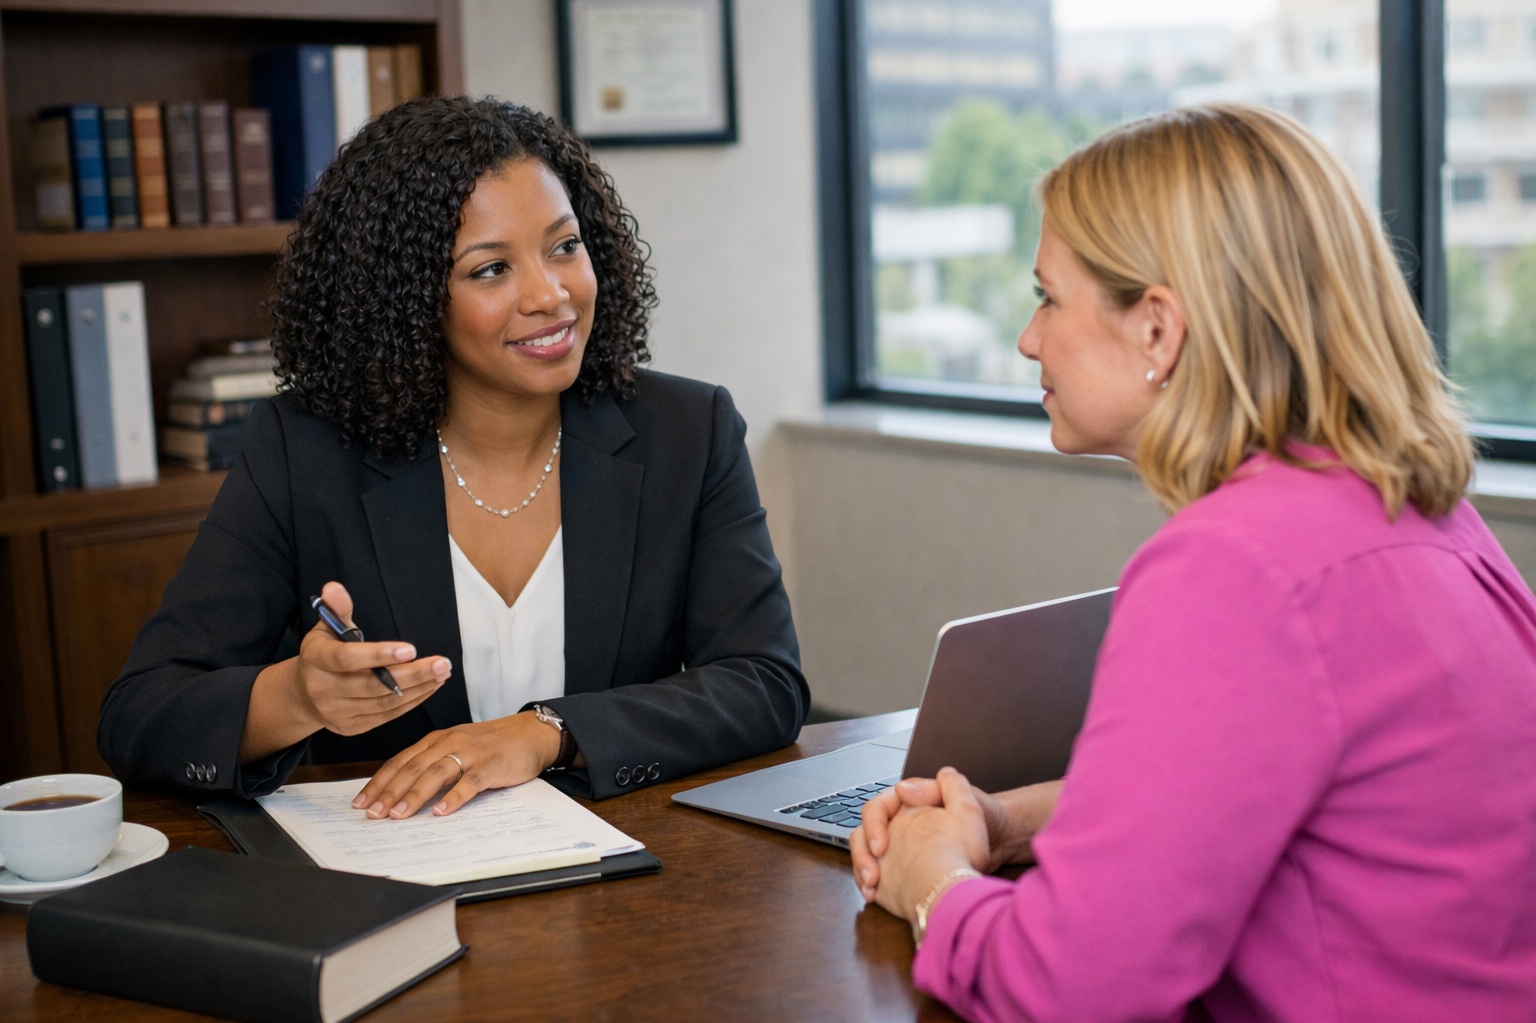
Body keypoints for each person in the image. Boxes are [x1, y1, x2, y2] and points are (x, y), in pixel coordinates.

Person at [850, 103, 1536, 1021]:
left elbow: (1072, 986)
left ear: (1158, 333)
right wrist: (1008, 822)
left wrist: (932, 881)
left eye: (1049, 297)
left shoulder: (1233, 568)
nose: (1027, 337)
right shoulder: (1423, 512)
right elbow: (1262, 794)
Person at [98, 97, 807, 815]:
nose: (550, 294)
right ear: (406, 300)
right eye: (491, 269)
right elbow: (141, 714)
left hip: (627, 876)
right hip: (395, 890)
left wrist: (548, 732)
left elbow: (763, 681)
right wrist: (296, 696)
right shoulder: (301, 452)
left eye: (564, 246)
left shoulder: (688, 429)